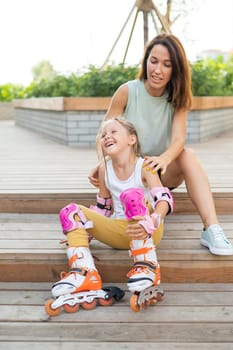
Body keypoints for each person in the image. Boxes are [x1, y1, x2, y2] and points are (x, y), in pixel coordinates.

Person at [89, 33, 233, 256]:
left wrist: (163, 160)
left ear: (175, 69)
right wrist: (104, 164)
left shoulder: (177, 97)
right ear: (145, 61)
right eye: (153, 61)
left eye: (167, 64)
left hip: (159, 176)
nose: (158, 70)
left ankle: (211, 228)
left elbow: (178, 140)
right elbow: (104, 132)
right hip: (130, 175)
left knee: (187, 155)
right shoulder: (127, 91)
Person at [50, 117, 174, 308]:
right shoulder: (103, 169)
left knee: (132, 196)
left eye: (113, 132)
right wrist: (81, 231)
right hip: (119, 232)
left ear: (131, 139)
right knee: (71, 212)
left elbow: (163, 199)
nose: (107, 136)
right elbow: (104, 208)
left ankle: (147, 265)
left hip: (148, 231)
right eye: (103, 134)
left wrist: (154, 219)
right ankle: (85, 273)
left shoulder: (146, 166)